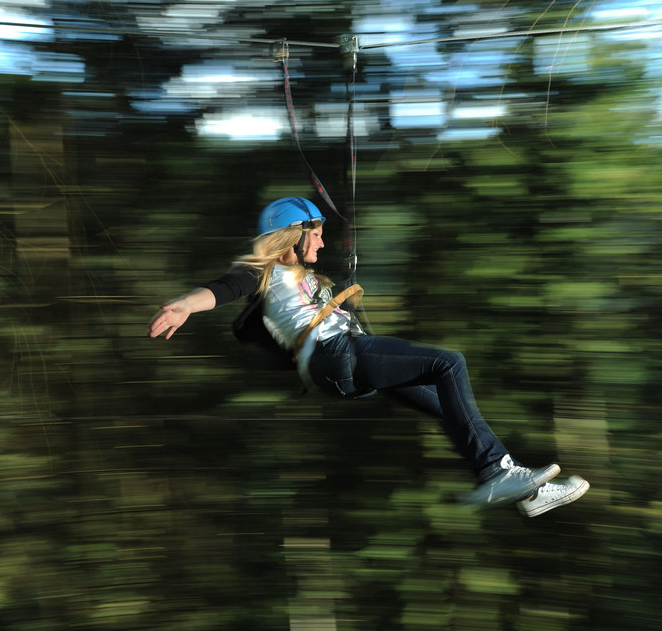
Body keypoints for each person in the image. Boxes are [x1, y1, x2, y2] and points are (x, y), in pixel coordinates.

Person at [148, 197, 589, 516]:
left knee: (445, 402)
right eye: (315, 235)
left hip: (339, 365)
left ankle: (526, 494)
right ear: (292, 236)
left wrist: (338, 300)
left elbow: (317, 311)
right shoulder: (264, 270)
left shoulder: (302, 278)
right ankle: (498, 472)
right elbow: (225, 289)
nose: (321, 243)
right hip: (333, 356)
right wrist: (186, 304)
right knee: (448, 362)